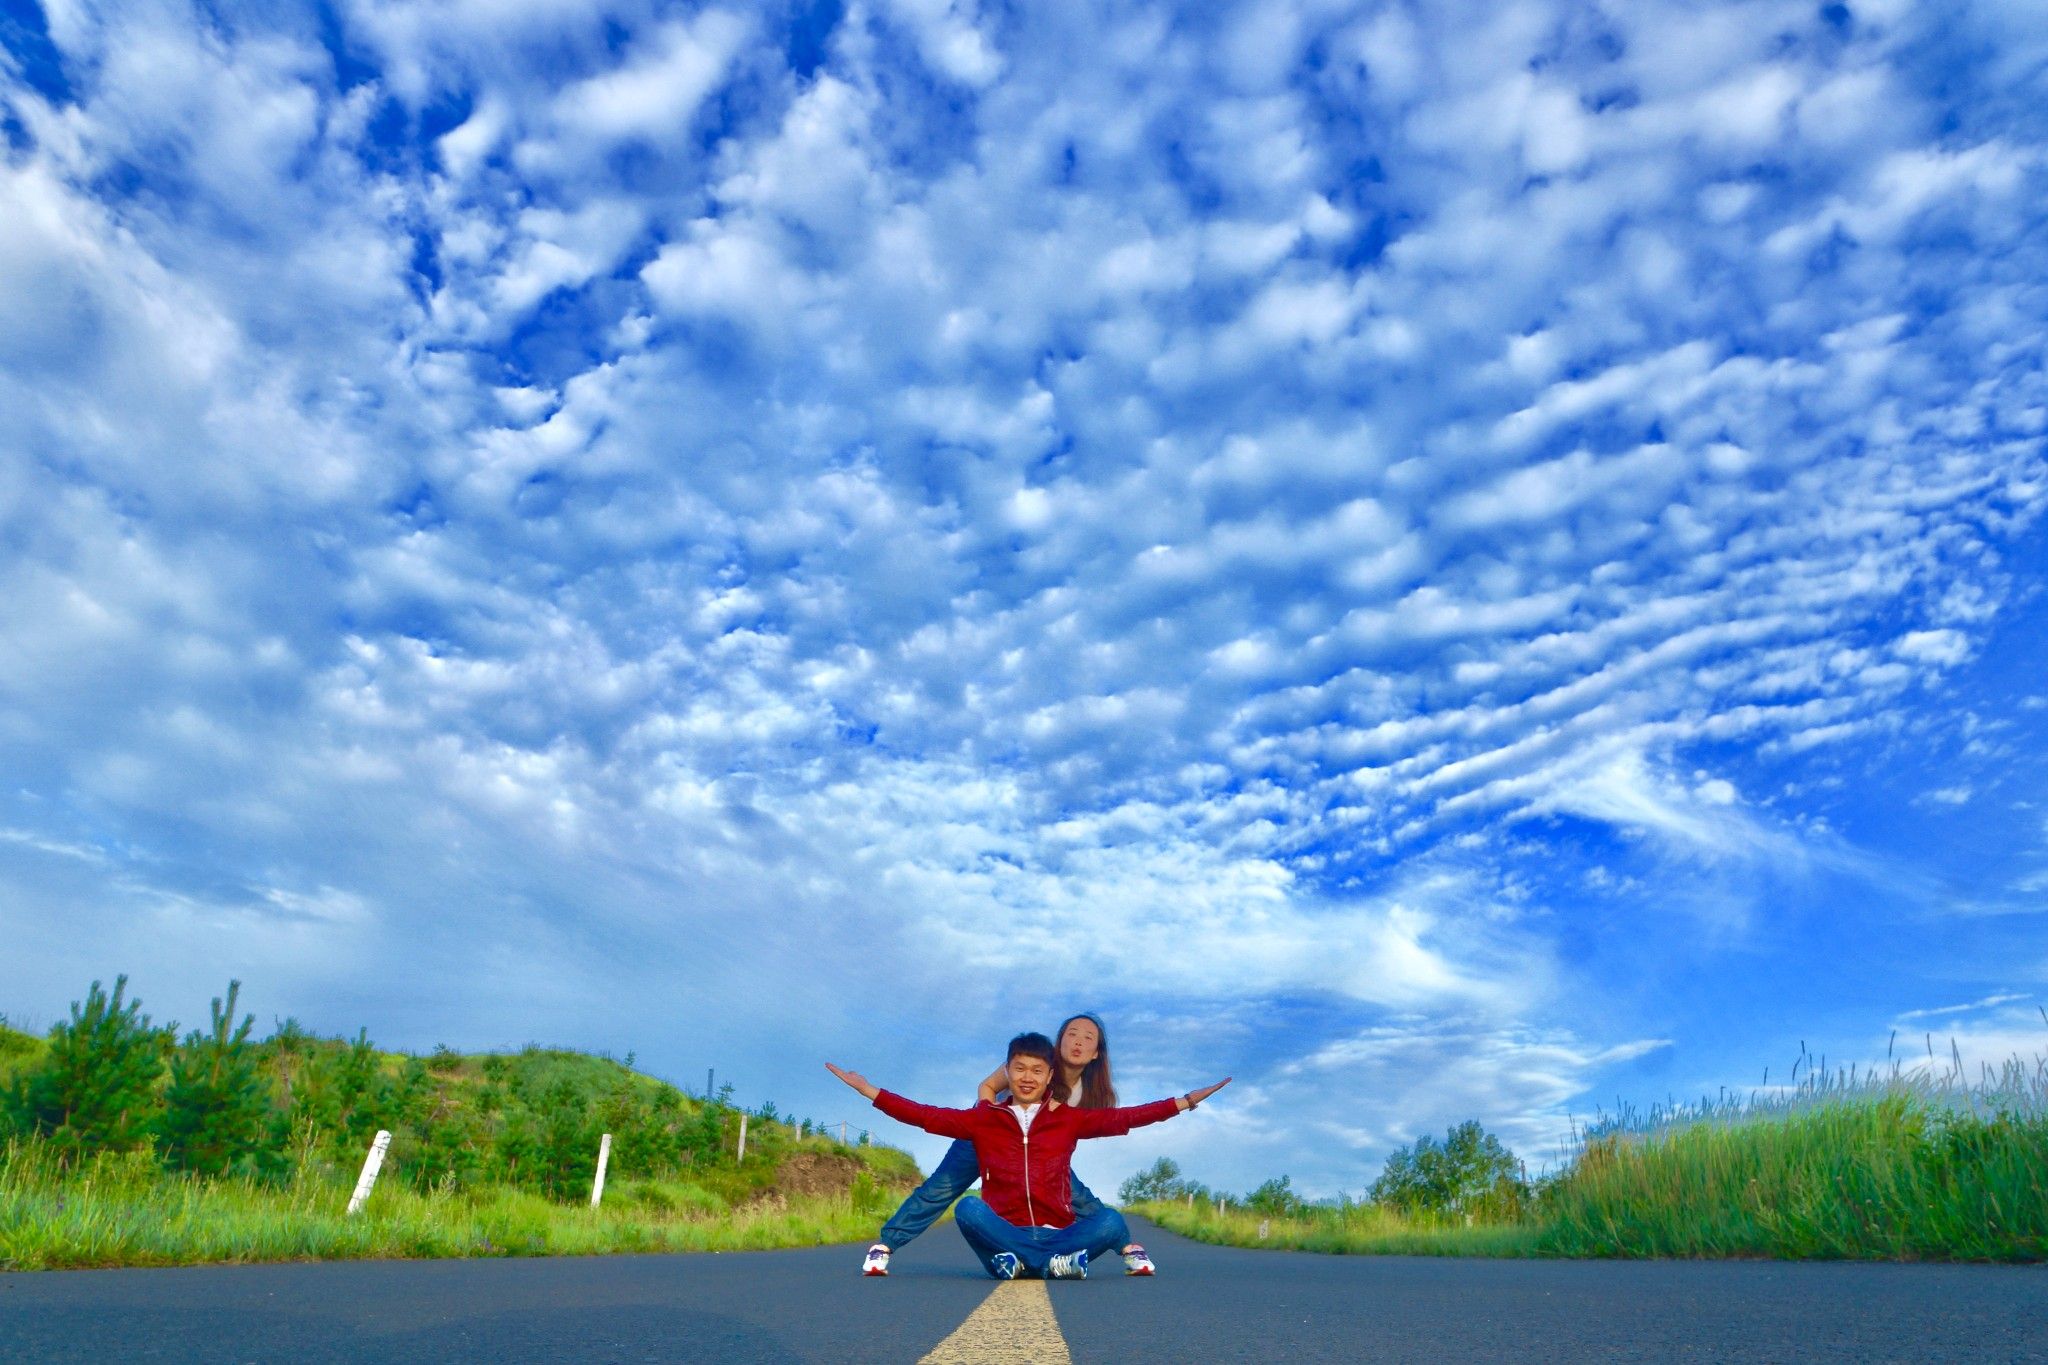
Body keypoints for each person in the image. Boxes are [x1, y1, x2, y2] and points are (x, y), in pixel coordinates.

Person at [827, 1032, 1230, 1280]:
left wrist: (1184, 1102)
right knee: (966, 1207)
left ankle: (1034, 1262)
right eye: (1019, 1069)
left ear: (1050, 1075)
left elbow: (1124, 1118)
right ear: (1008, 1071)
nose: (1027, 1077)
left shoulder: (1068, 1117)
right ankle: (1053, 1265)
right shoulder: (986, 1118)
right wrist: (870, 1092)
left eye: (1036, 1071)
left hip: (1051, 1230)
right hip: (1007, 1224)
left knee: (1107, 1218)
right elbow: (925, 1116)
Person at [858, 1013, 1148, 1277]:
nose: (1078, 1042)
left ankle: (1126, 1248)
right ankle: (884, 1246)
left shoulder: (1087, 1090)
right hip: (989, 1132)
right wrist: (990, 1124)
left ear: (1096, 1053)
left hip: (1030, 1151)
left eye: (1088, 1038)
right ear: (1060, 1040)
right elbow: (987, 1086)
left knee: (1077, 1194)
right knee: (940, 1189)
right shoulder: (1035, 1057)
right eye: (1072, 1034)